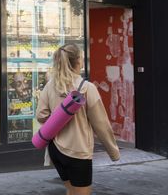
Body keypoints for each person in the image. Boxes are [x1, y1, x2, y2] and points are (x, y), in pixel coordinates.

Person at [36, 43, 120, 195]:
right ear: (78, 61)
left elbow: (41, 115)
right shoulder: (87, 88)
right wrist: (114, 152)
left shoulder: (50, 86)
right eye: (81, 58)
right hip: (77, 151)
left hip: (55, 150)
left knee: (71, 191)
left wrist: (58, 116)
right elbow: (101, 124)